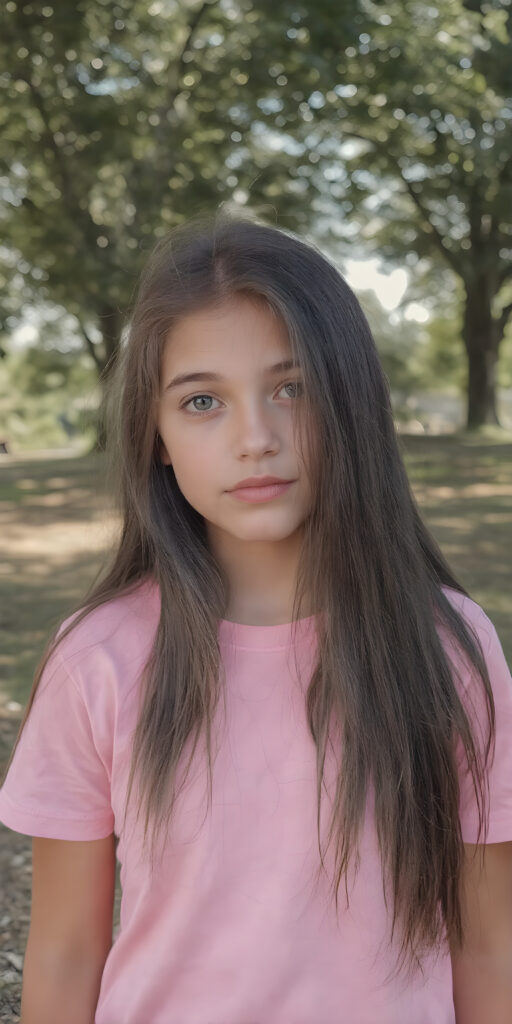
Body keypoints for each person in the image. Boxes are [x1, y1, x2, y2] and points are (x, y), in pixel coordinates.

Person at [0, 212, 511, 1024]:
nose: (256, 438)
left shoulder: (448, 647)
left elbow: (489, 946)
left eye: (292, 388)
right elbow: (66, 952)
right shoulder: (97, 658)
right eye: (202, 401)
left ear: (349, 398)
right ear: (157, 436)